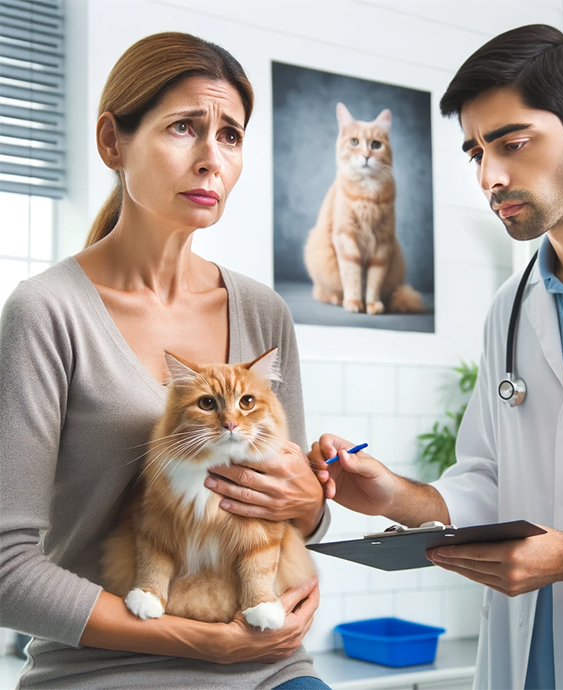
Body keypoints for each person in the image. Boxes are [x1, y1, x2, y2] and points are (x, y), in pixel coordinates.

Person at [309, 24, 563, 690]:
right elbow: (487, 478)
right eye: (475, 151)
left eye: (512, 143)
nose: (490, 176)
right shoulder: (510, 308)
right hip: (521, 666)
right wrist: (397, 495)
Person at [0, 32, 332, 690]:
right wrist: (198, 643)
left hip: (271, 669)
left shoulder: (264, 313)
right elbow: (6, 571)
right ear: (111, 141)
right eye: (185, 127)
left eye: (231, 136)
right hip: (107, 673)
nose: (212, 160)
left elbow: (292, 512)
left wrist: (312, 506)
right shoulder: (46, 313)